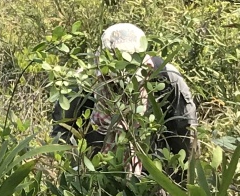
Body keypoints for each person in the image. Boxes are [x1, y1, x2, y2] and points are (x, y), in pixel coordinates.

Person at [51, 22, 197, 166]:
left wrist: (179, 178)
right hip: (93, 162)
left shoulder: (168, 77)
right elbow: (62, 132)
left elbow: (185, 131)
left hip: (152, 162)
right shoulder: (82, 82)